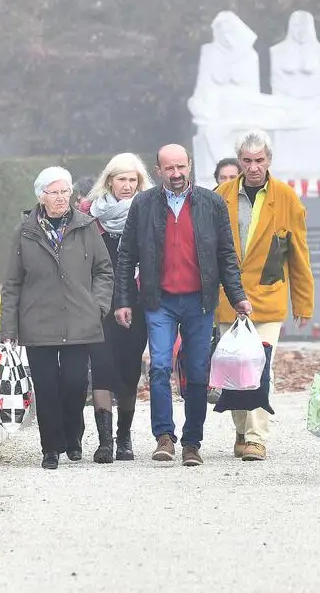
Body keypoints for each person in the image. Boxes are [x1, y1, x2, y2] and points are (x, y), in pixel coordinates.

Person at [114, 144, 249, 466]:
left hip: (199, 301)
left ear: (190, 165)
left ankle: (192, 442)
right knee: (160, 366)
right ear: (158, 171)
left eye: (181, 167)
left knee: (198, 371)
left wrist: (238, 296)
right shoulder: (144, 205)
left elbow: (226, 254)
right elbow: (126, 255)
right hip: (158, 300)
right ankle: (164, 436)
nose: (176, 175)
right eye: (169, 169)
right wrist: (122, 300)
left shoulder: (211, 203)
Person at [0, 166, 114, 470]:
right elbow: (12, 282)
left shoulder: (86, 226)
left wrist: (98, 305)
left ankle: (73, 435)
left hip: (79, 320)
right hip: (38, 321)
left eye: (65, 191)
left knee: (76, 383)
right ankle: (51, 448)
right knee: (47, 386)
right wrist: (8, 329)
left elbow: (104, 270)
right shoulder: (25, 231)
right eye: (55, 192)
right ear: (41, 196)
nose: (62, 198)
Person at [213, 130, 313, 461]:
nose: (254, 167)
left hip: (267, 298)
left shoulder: (286, 198)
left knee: (259, 365)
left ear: (269, 160)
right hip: (228, 297)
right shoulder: (221, 195)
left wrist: (303, 301)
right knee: (233, 365)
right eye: (247, 160)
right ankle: (241, 429)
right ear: (239, 161)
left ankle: (257, 436)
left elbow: (298, 253)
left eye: (260, 160)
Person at [83, 153, 154, 460]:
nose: (127, 186)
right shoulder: (89, 215)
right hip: (98, 301)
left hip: (135, 300)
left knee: (128, 368)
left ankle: (124, 438)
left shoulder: (150, 212)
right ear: (109, 180)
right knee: (100, 365)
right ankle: (104, 442)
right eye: (121, 179)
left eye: (132, 180)